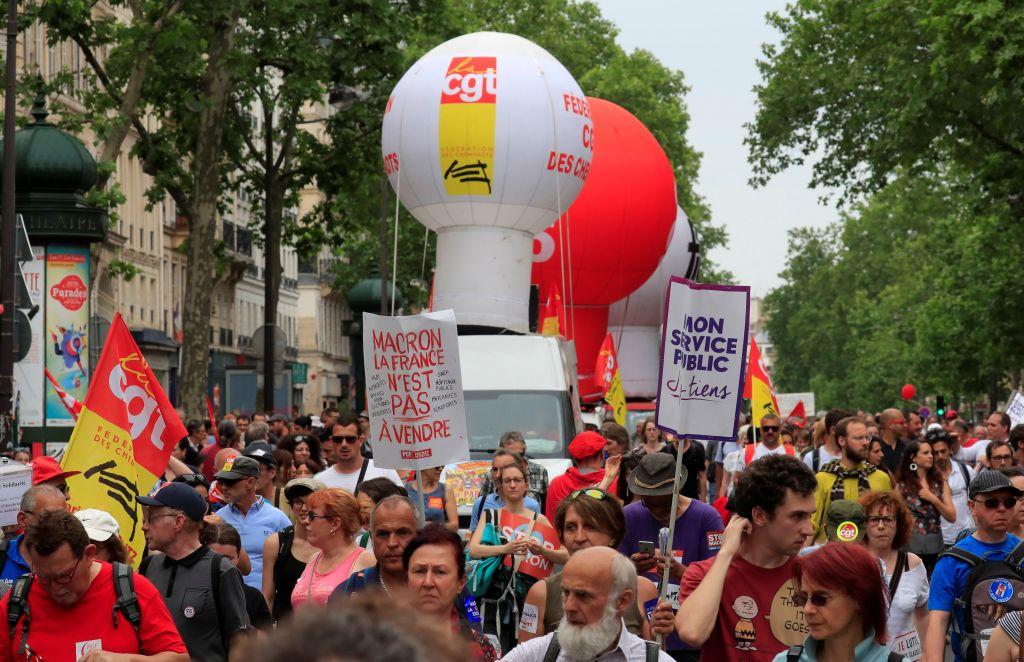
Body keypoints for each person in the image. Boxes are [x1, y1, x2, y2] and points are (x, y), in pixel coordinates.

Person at [653, 453, 817, 661]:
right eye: (797, 516)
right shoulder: (704, 573)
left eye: (810, 516)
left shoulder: (813, 577)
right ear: (759, 516)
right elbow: (692, 633)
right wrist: (725, 553)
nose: (809, 530)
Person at [0, 509, 188, 661]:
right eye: (44, 578)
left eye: (65, 576)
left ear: (89, 555)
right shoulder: (17, 600)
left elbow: (180, 658)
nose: (55, 588)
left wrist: (128, 660)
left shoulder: (133, 589)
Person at [618, 452, 723, 660]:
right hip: (640, 638)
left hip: (689, 638)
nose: (659, 512)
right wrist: (631, 568)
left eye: (666, 505)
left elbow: (719, 580)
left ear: (677, 490)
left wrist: (682, 573)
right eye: (650, 505)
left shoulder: (707, 517)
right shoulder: (629, 516)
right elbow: (610, 576)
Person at [519, 488, 657, 643]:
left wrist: (661, 633)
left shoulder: (644, 590)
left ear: (613, 534)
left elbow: (655, 654)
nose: (578, 537)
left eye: (590, 526)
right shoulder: (541, 593)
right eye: (570, 527)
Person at [137, 482, 249, 660]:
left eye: (152, 518)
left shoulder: (220, 570)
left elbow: (239, 640)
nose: (144, 526)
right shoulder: (147, 567)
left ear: (179, 521)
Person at [503, 546, 672, 662]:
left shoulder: (650, 658)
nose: (568, 607)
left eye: (583, 596)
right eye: (566, 593)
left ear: (622, 601)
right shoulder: (537, 653)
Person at [469, 460, 568, 654]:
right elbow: (473, 549)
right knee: (492, 652)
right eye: (507, 481)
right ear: (500, 487)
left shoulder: (537, 520)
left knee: (524, 651)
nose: (512, 485)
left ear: (526, 485)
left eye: (517, 480)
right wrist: (505, 548)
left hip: (526, 601)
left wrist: (543, 551)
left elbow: (565, 555)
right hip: (493, 600)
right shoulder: (490, 516)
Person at [925, 470, 1024, 662]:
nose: (1001, 508)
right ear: (972, 506)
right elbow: (937, 623)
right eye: (991, 503)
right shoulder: (952, 561)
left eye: (1009, 502)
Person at [773, 543, 897, 662]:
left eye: (820, 598)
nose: (807, 609)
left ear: (859, 598)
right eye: (803, 599)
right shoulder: (786, 660)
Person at [404, 524, 500, 661]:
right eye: (419, 571)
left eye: (440, 572)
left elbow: (474, 618)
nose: (428, 582)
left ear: (461, 583)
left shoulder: (480, 647)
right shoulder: (379, 641)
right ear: (406, 577)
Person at [860, 491, 929, 661]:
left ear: (899, 525)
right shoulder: (853, 564)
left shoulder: (913, 564)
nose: (881, 526)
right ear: (864, 525)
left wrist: (927, 655)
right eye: (874, 519)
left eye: (888, 519)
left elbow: (924, 616)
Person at [214, 455, 292, 589]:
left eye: (230, 481)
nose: (223, 487)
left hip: (264, 600)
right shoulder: (218, 518)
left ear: (250, 482)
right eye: (221, 482)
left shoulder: (277, 517)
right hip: (227, 598)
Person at [811, 416, 894, 542]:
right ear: (842, 441)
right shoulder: (822, 479)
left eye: (867, 437)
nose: (866, 442)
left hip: (869, 555)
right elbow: (812, 524)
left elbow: (889, 521)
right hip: (831, 555)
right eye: (859, 438)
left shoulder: (881, 478)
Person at [290, 488, 375, 609]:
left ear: (335, 524)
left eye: (312, 515)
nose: (306, 521)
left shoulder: (366, 560)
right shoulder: (313, 559)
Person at [330, 495, 419, 601]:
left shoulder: (436, 587)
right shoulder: (347, 592)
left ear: (418, 535)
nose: (392, 543)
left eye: (402, 533)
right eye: (383, 534)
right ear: (371, 537)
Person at [261, 477, 324, 623]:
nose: (303, 508)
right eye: (298, 502)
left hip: (323, 631)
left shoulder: (332, 543)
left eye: (310, 502)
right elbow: (267, 596)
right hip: (284, 630)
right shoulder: (276, 543)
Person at [894, 441, 956, 571]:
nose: (931, 456)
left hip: (935, 545)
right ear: (913, 457)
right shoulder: (902, 485)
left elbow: (952, 516)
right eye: (925, 453)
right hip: (911, 546)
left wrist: (934, 499)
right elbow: (896, 516)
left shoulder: (940, 482)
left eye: (931, 453)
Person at [202, 522, 273, 630]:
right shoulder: (192, 594)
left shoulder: (253, 598)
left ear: (238, 557)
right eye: (214, 558)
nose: (221, 565)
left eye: (228, 559)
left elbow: (267, 641)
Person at [0, 485, 66, 589]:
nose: (58, 525)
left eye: (64, 518)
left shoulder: (72, 559)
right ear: (22, 520)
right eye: (48, 517)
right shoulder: (3, 555)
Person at [314, 414, 402, 493]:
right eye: (338, 439)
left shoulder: (384, 471)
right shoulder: (320, 481)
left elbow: (405, 506)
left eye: (350, 439)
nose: (344, 444)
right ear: (331, 441)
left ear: (361, 441)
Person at [545, 431, 620, 522]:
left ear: (575, 458)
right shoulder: (614, 482)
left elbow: (551, 521)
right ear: (601, 456)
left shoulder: (556, 483)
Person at [469, 451, 542, 531]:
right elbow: (473, 540)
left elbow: (540, 537)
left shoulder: (532, 505)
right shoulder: (480, 503)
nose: (498, 475)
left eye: (504, 469)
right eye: (495, 469)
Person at [476, 431, 550, 509]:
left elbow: (546, 506)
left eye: (520, 454)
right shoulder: (494, 474)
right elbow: (481, 506)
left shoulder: (540, 471)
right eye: (511, 455)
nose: (517, 458)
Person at [929, 429, 976, 547]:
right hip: (940, 539)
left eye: (943, 451)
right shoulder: (927, 477)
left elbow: (976, 501)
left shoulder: (966, 471)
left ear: (950, 450)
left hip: (966, 536)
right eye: (935, 453)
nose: (940, 456)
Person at [406, 466, 458, 530]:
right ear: (424, 466)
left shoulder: (445, 490)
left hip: (436, 537)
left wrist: (433, 526)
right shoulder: (405, 489)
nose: (441, 469)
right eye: (437, 467)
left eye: (442, 466)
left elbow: (454, 525)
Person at [804, 409, 855, 473]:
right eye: (846, 428)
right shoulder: (812, 458)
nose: (850, 432)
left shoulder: (854, 456)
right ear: (833, 430)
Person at [663, 435, 707, 501]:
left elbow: (702, 475)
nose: (677, 434)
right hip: (670, 498)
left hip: (691, 497)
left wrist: (703, 498)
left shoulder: (697, 449)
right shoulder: (666, 450)